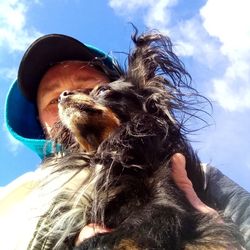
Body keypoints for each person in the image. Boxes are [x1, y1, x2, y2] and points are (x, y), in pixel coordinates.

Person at [1, 34, 249, 249]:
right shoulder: (15, 199)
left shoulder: (198, 174)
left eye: (93, 89)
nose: (69, 96)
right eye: (54, 100)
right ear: (40, 124)